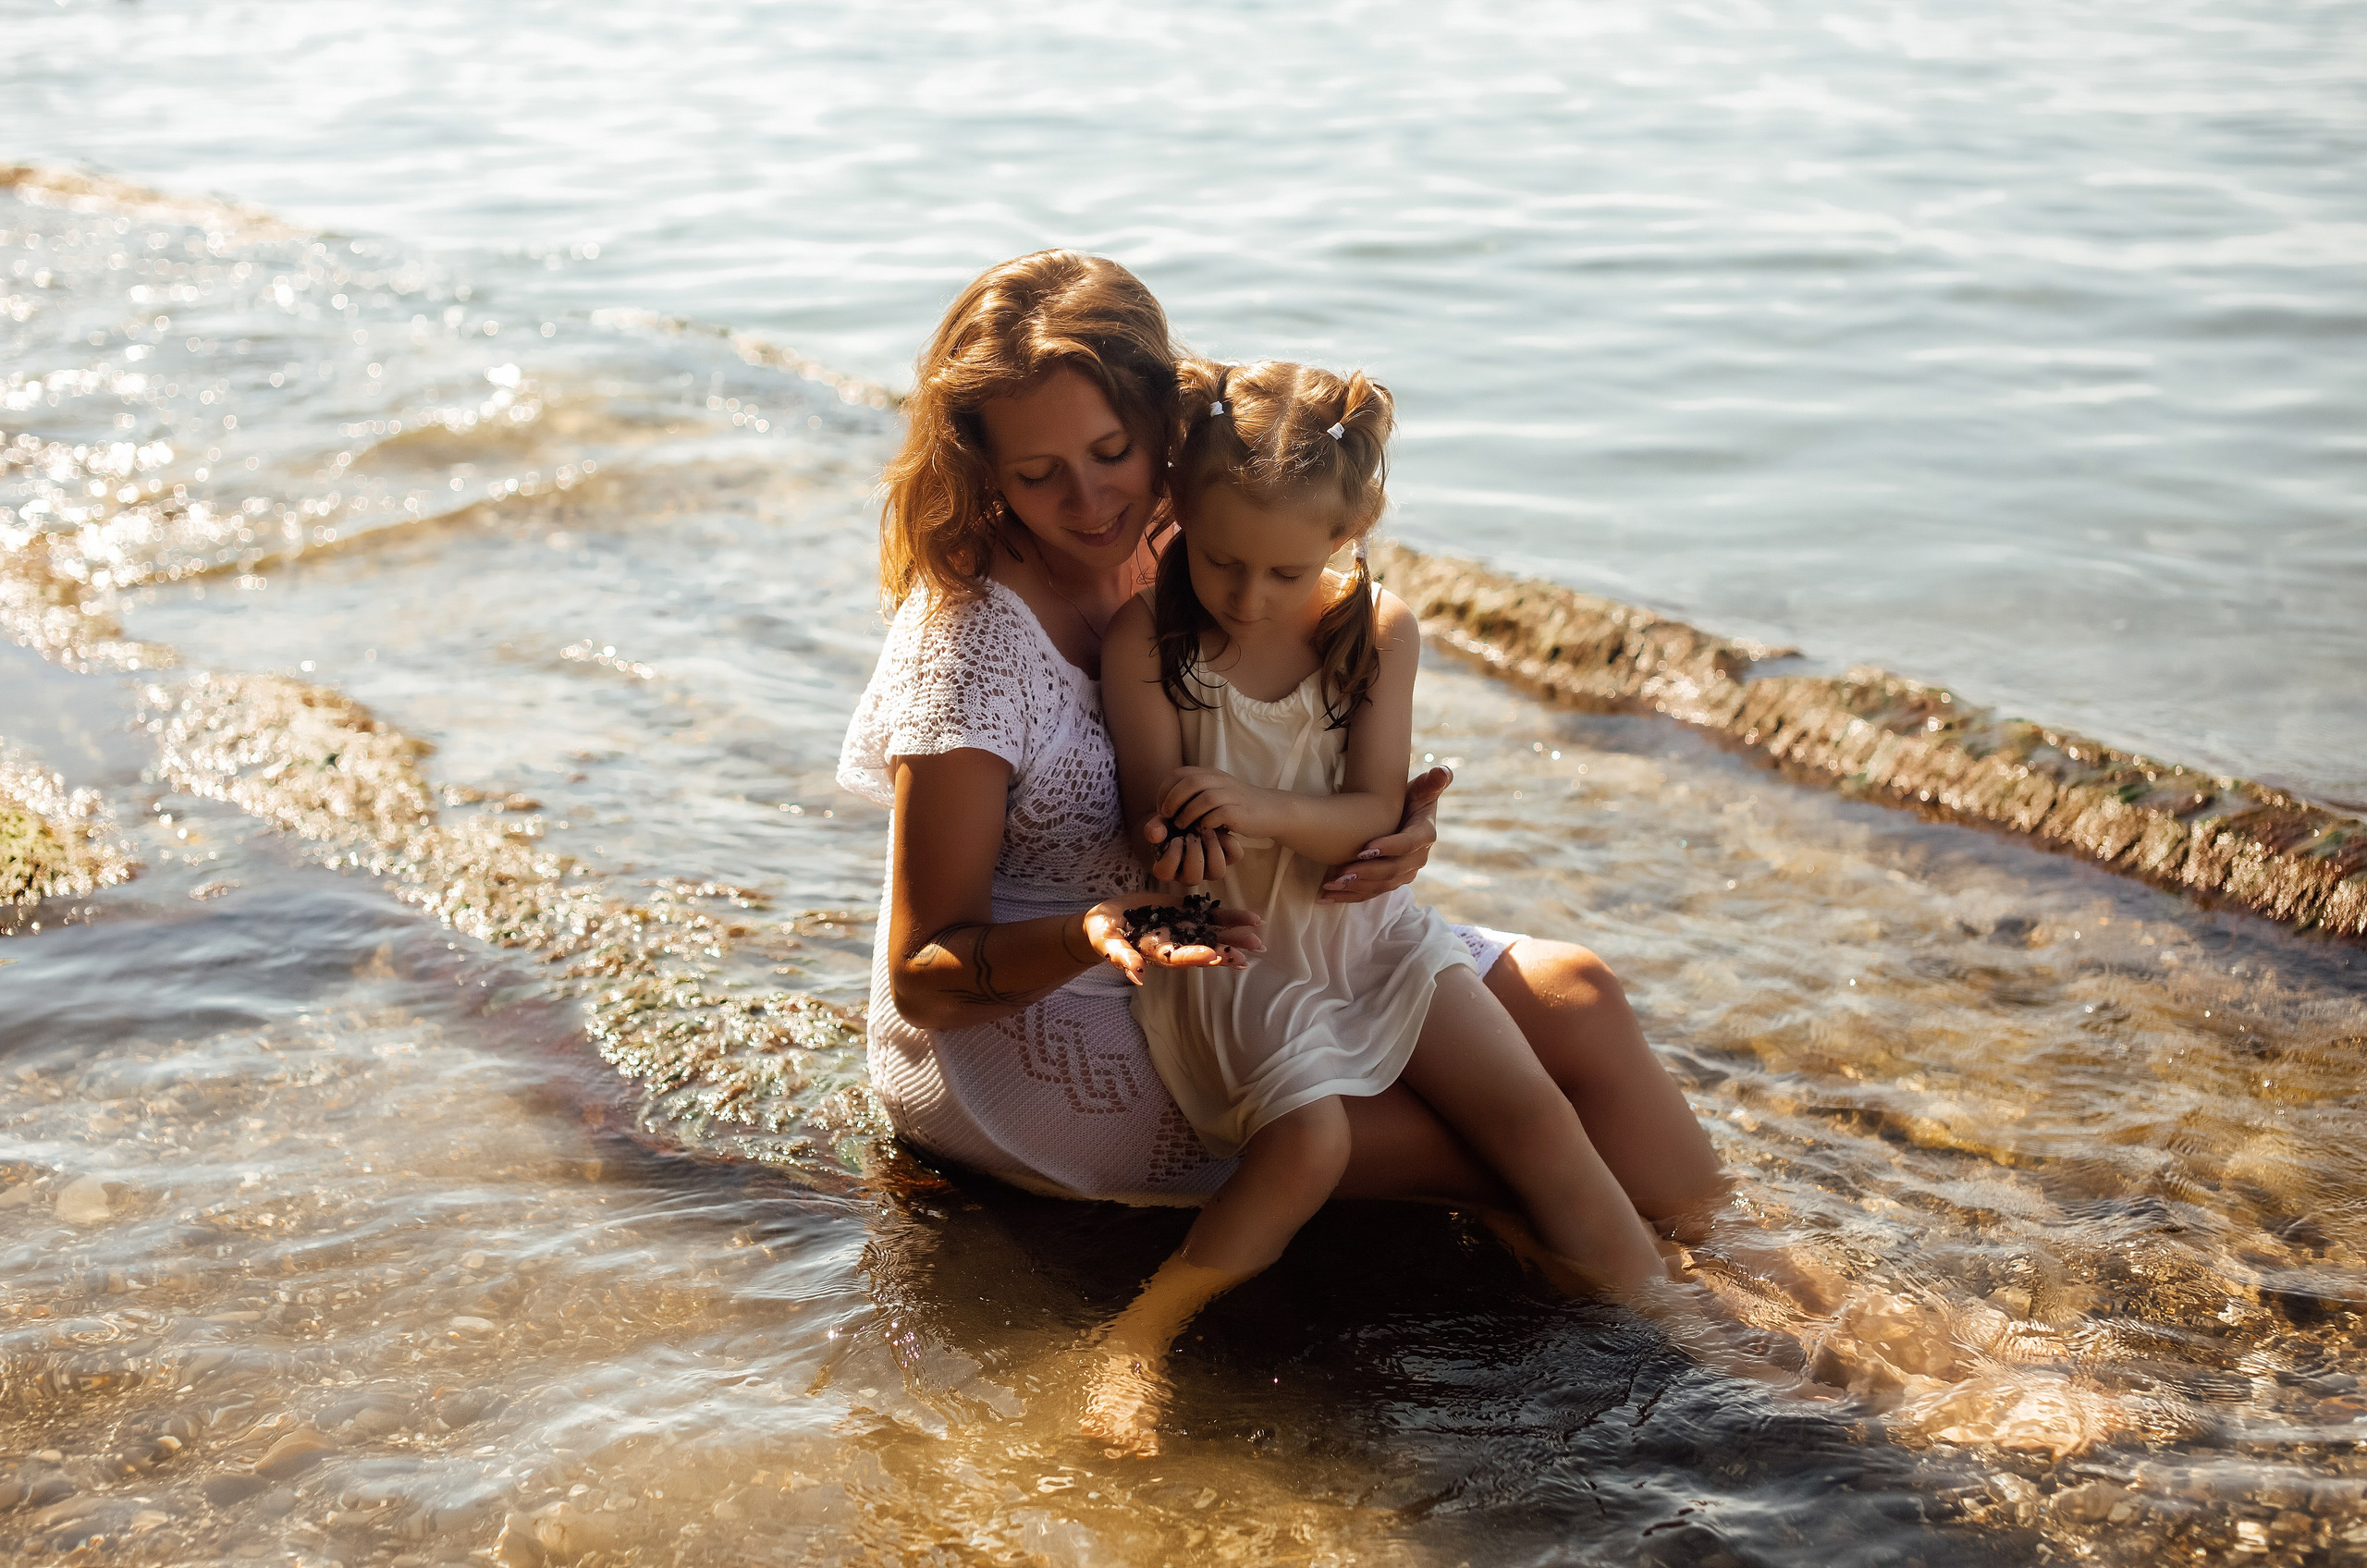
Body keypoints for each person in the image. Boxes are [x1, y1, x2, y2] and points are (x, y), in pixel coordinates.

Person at [834, 249, 1720, 1234]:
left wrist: (1389, 830)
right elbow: (926, 974)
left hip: (1264, 923)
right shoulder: (969, 644)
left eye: (1112, 453)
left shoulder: (1205, 537)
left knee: (1582, 999)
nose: (1091, 504)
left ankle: (1773, 1280)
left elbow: (1318, 703)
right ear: (985, 470)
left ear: (1165, 426)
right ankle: (1714, 1332)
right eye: (1039, 476)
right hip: (1061, 1011)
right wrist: (1092, 930)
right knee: (1504, 1143)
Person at [1083, 360, 1677, 1441]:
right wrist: (1183, 839)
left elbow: (1369, 813)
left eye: (1284, 570)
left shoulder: (1376, 632)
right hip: (1238, 947)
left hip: (1368, 930)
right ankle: (1146, 1329)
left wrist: (1258, 805)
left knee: (1533, 1109)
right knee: (1307, 1139)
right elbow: (1149, 830)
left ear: (1352, 529)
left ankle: (1677, 1320)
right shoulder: (1148, 644)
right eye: (1221, 561)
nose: (1248, 596)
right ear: (1182, 510)